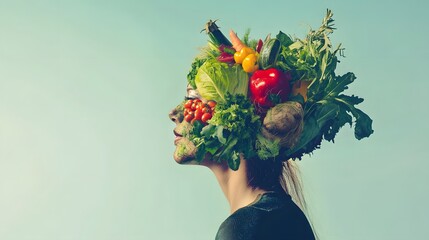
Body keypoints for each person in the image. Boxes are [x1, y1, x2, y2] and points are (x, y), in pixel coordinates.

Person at [169, 11, 372, 240]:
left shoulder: (247, 228)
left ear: (233, 121)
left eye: (193, 99)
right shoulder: (276, 216)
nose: (174, 114)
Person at [169, 86, 316, 240]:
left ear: (235, 117)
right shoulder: (280, 216)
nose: (173, 114)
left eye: (193, 97)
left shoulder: (244, 229)